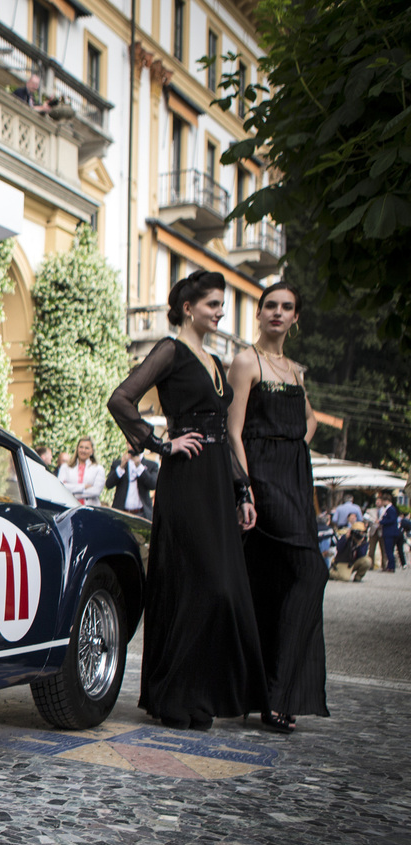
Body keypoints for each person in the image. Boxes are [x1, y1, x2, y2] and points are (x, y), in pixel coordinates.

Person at [107, 269, 267, 730]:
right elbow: (121, 399)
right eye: (214, 304)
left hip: (218, 481)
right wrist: (161, 445)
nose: (220, 312)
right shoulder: (169, 350)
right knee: (199, 585)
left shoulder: (215, 360)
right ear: (188, 307)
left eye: (221, 304)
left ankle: (199, 694)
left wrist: (242, 491)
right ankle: (173, 693)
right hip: (186, 478)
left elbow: (221, 431)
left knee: (224, 590)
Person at [225, 281, 328, 733]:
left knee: (274, 584)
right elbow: (233, 431)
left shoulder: (295, 371)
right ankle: (277, 690)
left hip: (295, 478)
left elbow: (310, 420)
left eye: (287, 307)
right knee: (313, 571)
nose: (278, 313)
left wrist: (295, 445)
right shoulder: (247, 361)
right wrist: (246, 489)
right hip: (264, 478)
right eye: (271, 305)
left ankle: (269, 695)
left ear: (296, 318)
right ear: (260, 312)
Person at [57, 436, 106, 506]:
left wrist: (72, 494)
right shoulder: (65, 467)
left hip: (90, 510)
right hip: (69, 508)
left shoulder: (98, 469)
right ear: (77, 449)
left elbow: (96, 491)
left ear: (92, 451)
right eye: (81, 447)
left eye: (87, 448)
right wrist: (83, 486)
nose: (83, 450)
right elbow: (60, 487)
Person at [110, 450, 160, 519]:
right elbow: (108, 484)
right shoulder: (118, 463)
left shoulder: (151, 465)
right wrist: (121, 468)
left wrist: (139, 467)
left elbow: (153, 485)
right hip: (121, 512)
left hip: (141, 514)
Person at [376, 493, 401, 572]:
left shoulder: (390, 509)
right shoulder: (390, 509)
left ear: (385, 501)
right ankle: (389, 566)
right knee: (389, 550)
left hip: (390, 532)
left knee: (389, 550)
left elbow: (391, 520)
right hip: (390, 532)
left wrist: (382, 521)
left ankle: (391, 567)